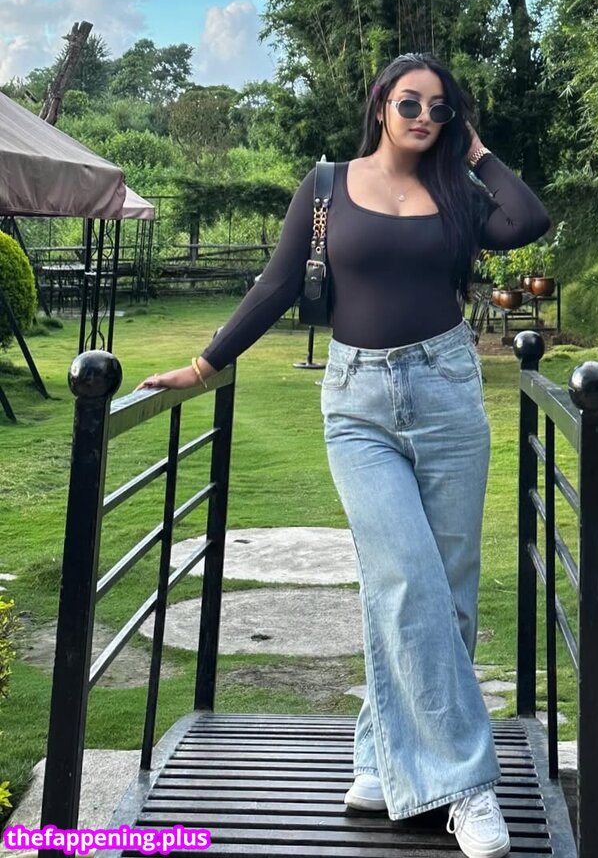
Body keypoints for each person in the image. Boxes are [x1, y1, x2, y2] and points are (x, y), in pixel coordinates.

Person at [137, 52, 550, 858]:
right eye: (410, 103)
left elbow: (527, 220)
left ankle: (379, 756)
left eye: (439, 107)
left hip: (447, 393)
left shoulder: (457, 192)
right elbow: (275, 285)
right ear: (381, 104)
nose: (423, 117)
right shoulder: (327, 186)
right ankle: (467, 784)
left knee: (448, 591)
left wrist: (474, 150)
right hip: (357, 403)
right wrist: (204, 365)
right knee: (405, 578)